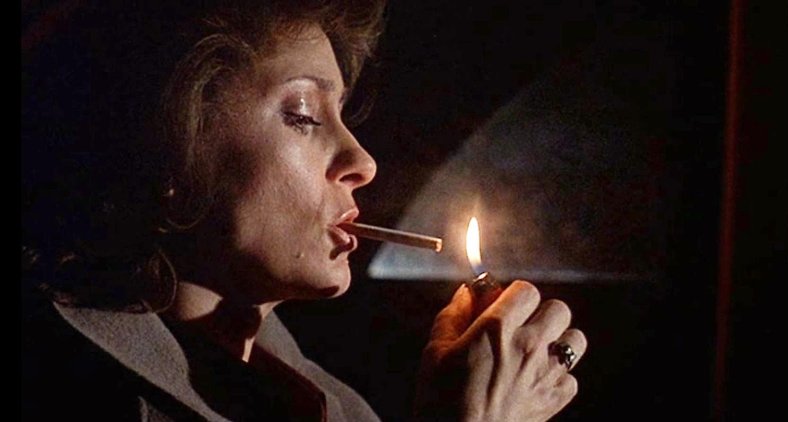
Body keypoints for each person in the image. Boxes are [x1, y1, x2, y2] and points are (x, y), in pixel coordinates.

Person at [21, 0, 587, 420]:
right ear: (163, 149)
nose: (362, 162)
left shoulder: (344, 411)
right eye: (302, 115)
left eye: (342, 115)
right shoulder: (59, 386)